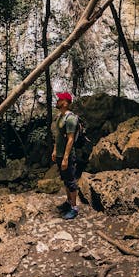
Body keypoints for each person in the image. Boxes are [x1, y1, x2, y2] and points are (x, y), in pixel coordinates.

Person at [51, 91, 79, 220]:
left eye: (59, 99)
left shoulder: (71, 118)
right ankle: (68, 202)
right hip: (60, 154)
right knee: (65, 180)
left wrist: (66, 158)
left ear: (65, 103)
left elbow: (70, 139)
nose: (57, 101)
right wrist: (55, 151)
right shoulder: (60, 117)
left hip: (67, 156)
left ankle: (74, 208)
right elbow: (58, 137)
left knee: (71, 181)